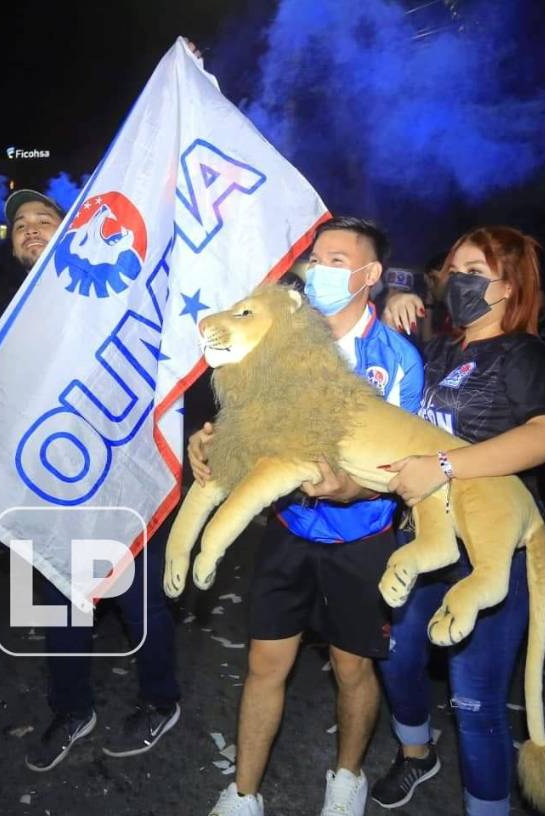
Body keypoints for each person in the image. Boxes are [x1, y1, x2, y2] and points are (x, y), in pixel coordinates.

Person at [0, 193, 184, 775]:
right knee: (57, 603)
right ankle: (71, 709)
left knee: (140, 601)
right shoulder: (4, 313)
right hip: (49, 486)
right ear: (9, 241)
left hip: (117, 475)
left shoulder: (120, 291)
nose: (32, 230)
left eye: (47, 220)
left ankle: (160, 699)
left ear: (76, 233)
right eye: (21, 224)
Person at [195, 217, 423, 816]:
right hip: (289, 529)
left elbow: (406, 465)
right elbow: (243, 418)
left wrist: (349, 489)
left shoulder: (396, 358)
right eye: (316, 257)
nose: (318, 270)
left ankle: (346, 778)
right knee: (264, 664)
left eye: (337, 260)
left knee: (352, 669)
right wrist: (210, 443)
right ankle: (243, 793)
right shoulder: (279, 335)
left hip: (363, 539)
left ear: (370, 276)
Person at [378, 226, 545, 814]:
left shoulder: (525, 353)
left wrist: (442, 464)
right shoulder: (436, 350)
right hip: (425, 535)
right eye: (451, 271)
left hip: (487, 550)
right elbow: (376, 392)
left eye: (473, 273)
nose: (455, 282)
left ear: (508, 289)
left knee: (475, 701)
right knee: (395, 659)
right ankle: (416, 753)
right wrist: (385, 322)